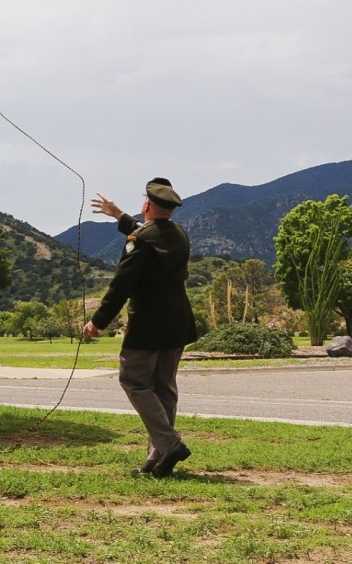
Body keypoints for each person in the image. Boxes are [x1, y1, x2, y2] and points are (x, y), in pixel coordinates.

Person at [81, 178, 198, 478]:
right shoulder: (179, 233)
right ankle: (157, 458)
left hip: (148, 325)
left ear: (147, 204)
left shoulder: (140, 240)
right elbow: (148, 233)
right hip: (178, 323)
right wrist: (119, 215)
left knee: (133, 380)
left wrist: (98, 321)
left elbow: (122, 284)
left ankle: (169, 444)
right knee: (164, 387)